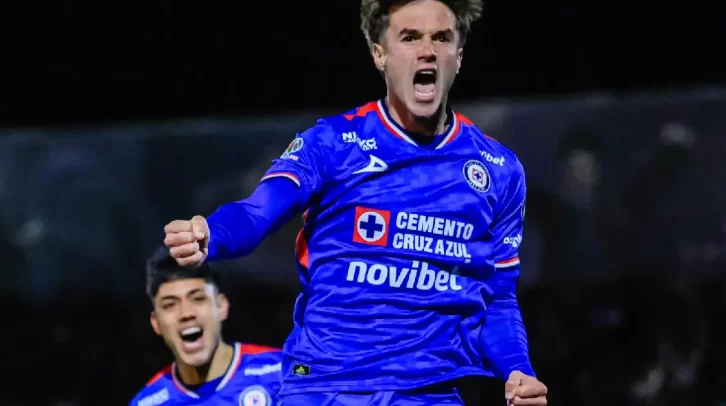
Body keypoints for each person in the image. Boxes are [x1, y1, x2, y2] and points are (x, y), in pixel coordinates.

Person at [163, 0, 548, 404]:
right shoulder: (331, 142)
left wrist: (518, 369)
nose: (427, 50)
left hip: (427, 392)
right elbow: (257, 212)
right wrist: (212, 233)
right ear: (380, 55)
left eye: (441, 38)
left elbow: (498, 297)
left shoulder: (500, 170)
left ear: (459, 56)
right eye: (410, 37)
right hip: (323, 386)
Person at [130, 248, 282, 405]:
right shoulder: (146, 403)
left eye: (198, 299)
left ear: (221, 306)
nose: (186, 313)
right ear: (156, 323)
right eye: (170, 305)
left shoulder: (284, 370)